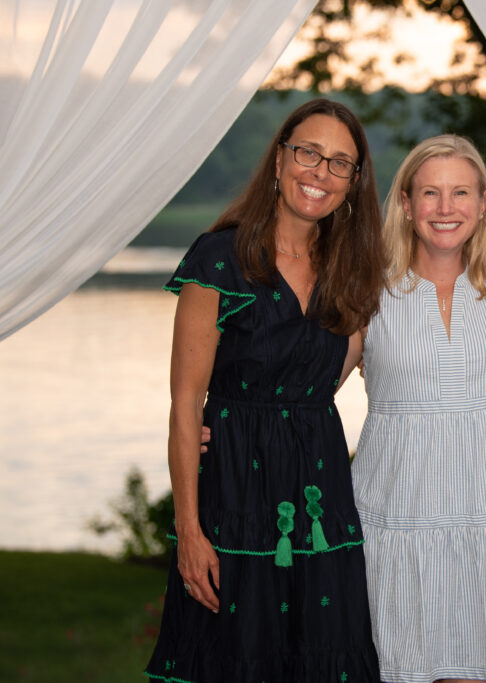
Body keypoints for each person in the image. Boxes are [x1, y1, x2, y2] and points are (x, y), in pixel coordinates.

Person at [146, 98, 383, 682]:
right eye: (308, 153)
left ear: (354, 183)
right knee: (235, 656)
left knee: (325, 658)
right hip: (234, 490)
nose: (319, 172)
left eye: (339, 163)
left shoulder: (351, 268)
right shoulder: (220, 258)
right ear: (279, 161)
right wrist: (189, 533)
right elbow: (184, 406)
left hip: (321, 500)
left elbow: (351, 366)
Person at [351, 134, 486, 683]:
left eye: (461, 193)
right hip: (395, 525)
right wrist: (227, 417)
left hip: (483, 527)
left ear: (482, 205)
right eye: (431, 193)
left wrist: (482, 453)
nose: (446, 208)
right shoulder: (370, 291)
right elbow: (309, 385)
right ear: (406, 204)